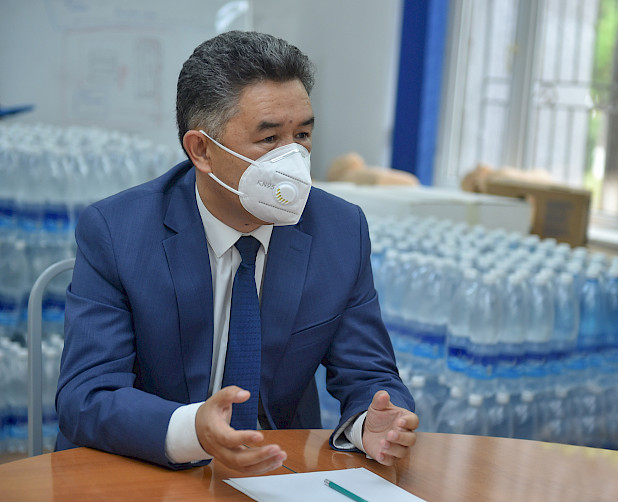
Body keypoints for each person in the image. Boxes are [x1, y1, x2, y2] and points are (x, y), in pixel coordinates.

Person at [55, 31, 418, 472]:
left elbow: (369, 373)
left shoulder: (339, 230)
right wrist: (193, 431)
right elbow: (87, 395)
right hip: (142, 463)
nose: (293, 159)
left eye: (302, 134)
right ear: (202, 150)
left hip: (278, 466)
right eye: (269, 139)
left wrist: (370, 423)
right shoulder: (119, 231)